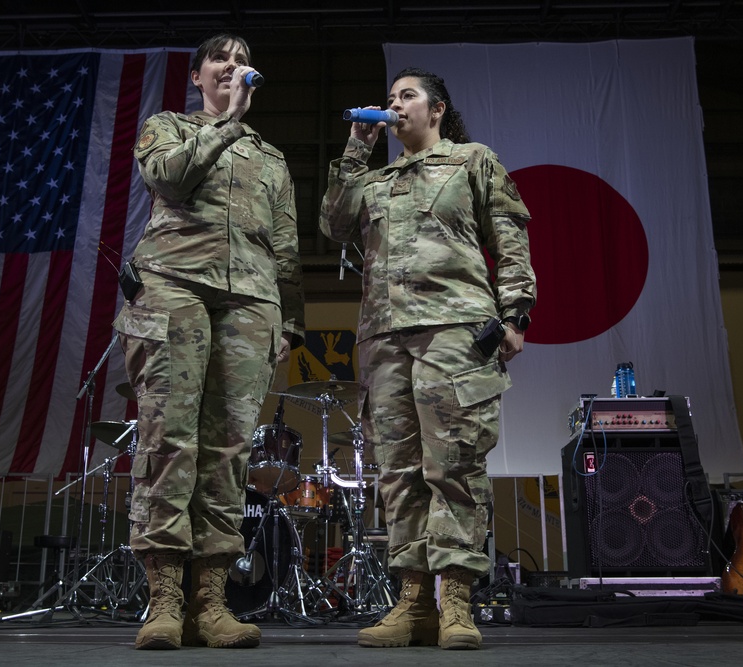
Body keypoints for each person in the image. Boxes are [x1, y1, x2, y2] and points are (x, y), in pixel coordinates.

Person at [319, 67, 535, 650]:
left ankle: (457, 601)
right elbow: (332, 224)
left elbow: (510, 235)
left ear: (436, 109)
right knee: (399, 472)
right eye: (389, 98)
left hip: (455, 330)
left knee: (455, 465)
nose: (394, 105)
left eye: (406, 96)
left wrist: (515, 315)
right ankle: (414, 602)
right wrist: (355, 150)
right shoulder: (377, 178)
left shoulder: (473, 161)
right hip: (384, 336)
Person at [115, 33, 305, 650]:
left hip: (251, 303)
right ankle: (164, 600)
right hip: (172, 285)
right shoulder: (166, 127)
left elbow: (286, 248)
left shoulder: (271, 157)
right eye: (221, 59)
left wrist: (290, 320)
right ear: (197, 76)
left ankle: (211, 602)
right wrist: (225, 124)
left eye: (244, 59)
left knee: (228, 451)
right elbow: (169, 180)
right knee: (170, 438)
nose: (233, 66)